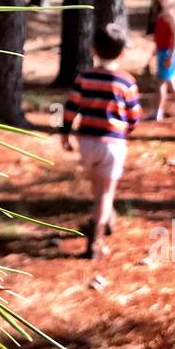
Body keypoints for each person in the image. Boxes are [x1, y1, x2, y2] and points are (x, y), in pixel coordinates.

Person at [61, 22, 142, 259]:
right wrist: (128, 131)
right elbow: (134, 115)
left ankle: (106, 220)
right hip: (112, 144)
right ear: (123, 53)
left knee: (100, 189)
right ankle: (95, 242)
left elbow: (70, 107)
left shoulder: (84, 78)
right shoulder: (126, 82)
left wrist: (65, 133)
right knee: (105, 194)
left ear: (93, 50)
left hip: (87, 142)